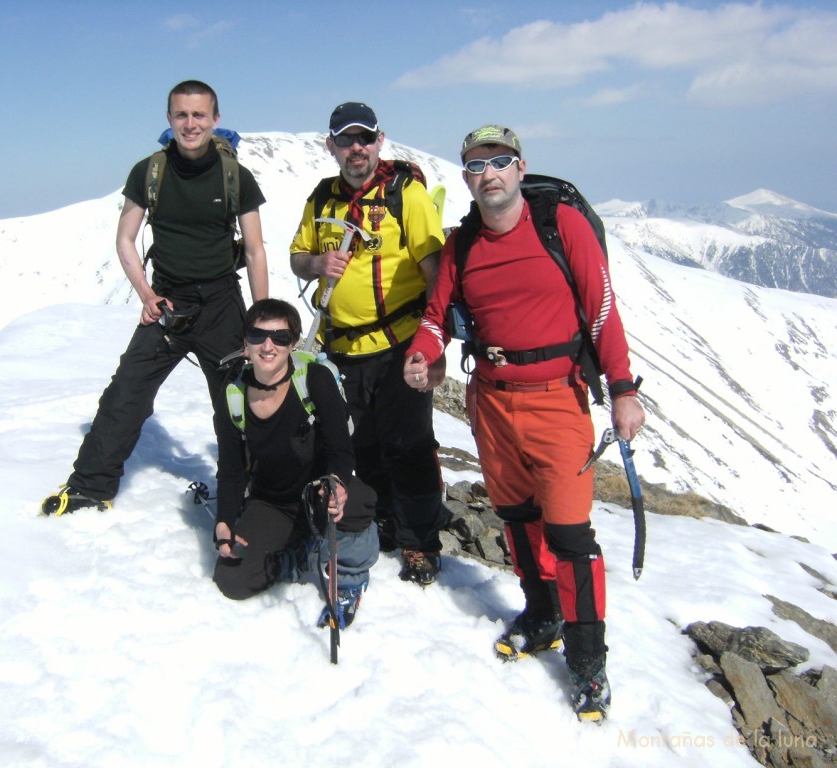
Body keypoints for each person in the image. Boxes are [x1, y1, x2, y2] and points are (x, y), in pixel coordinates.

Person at [403, 124, 645, 723]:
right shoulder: (462, 245)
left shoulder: (560, 227)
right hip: (490, 397)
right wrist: (421, 351)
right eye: (475, 166)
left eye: (499, 162)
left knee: (570, 536)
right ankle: (542, 614)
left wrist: (621, 389)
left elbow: (602, 311)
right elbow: (437, 317)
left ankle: (589, 663)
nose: (488, 174)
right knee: (516, 517)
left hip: (556, 398)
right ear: (466, 177)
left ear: (519, 167)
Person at [42, 80, 268, 515]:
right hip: (167, 303)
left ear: (215, 120)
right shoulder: (149, 172)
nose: (190, 123)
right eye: (181, 115)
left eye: (199, 115)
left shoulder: (235, 175)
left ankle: (251, 490)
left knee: (237, 403)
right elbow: (125, 239)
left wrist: (260, 321)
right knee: (127, 392)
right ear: (169, 119)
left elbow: (256, 250)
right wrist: (146, 294)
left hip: (222, 302)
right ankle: (90, 487)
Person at [289, 102, 447, 586]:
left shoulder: (408, 197)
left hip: (399, 345)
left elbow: (436, 273)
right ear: (331, 145)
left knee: (410, 444)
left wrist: (434, 344)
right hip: (341, 350)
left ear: (380, 141)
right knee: (360, 444)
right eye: (345, 139)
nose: (355, 148)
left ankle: (419, 541)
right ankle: (380, 519)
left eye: (364, 138)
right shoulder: (322, 200)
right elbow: (297, 256)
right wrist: (317, 266)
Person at [212, 299, 379, 627]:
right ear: (246, 342)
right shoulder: (232, 394)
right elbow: (231, 470)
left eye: (281, 337)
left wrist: (338, 484)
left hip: (319, 493)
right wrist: (225, 522)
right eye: (258, 335)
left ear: (294, 342)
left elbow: (341, 449)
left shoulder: (313, 380)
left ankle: (348, 578)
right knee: (232, 578)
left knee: (357, 501)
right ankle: (302, 554)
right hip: (271, 501)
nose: (268, 345)